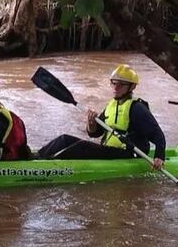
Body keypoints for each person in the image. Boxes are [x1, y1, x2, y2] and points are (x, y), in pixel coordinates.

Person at [37, 64, 166, 169]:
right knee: (64, 139)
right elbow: (95, 133)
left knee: (82, 146)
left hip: (129, 153)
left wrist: (159, 157)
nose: (116, 87)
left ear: (132, 86)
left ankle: (48, 167)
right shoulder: (111, 105)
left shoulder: (137, 108)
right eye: (114, 83)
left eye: (121, 84)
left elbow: (158, 135)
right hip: (110, 150)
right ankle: (36, 156)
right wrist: (91, 124)